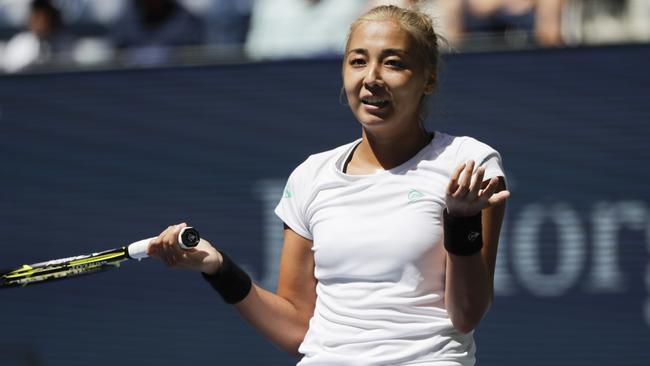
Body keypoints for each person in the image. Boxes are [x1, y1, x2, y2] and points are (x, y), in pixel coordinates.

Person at [148, 5, 509, 365]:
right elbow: (297, 330)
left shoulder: (468, 163)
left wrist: (461, 224)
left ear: (427, 78)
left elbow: (467, 314)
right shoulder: (310, 176)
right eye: (357, 61)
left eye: (393, 62)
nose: (372, 77)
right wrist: (218, 267)